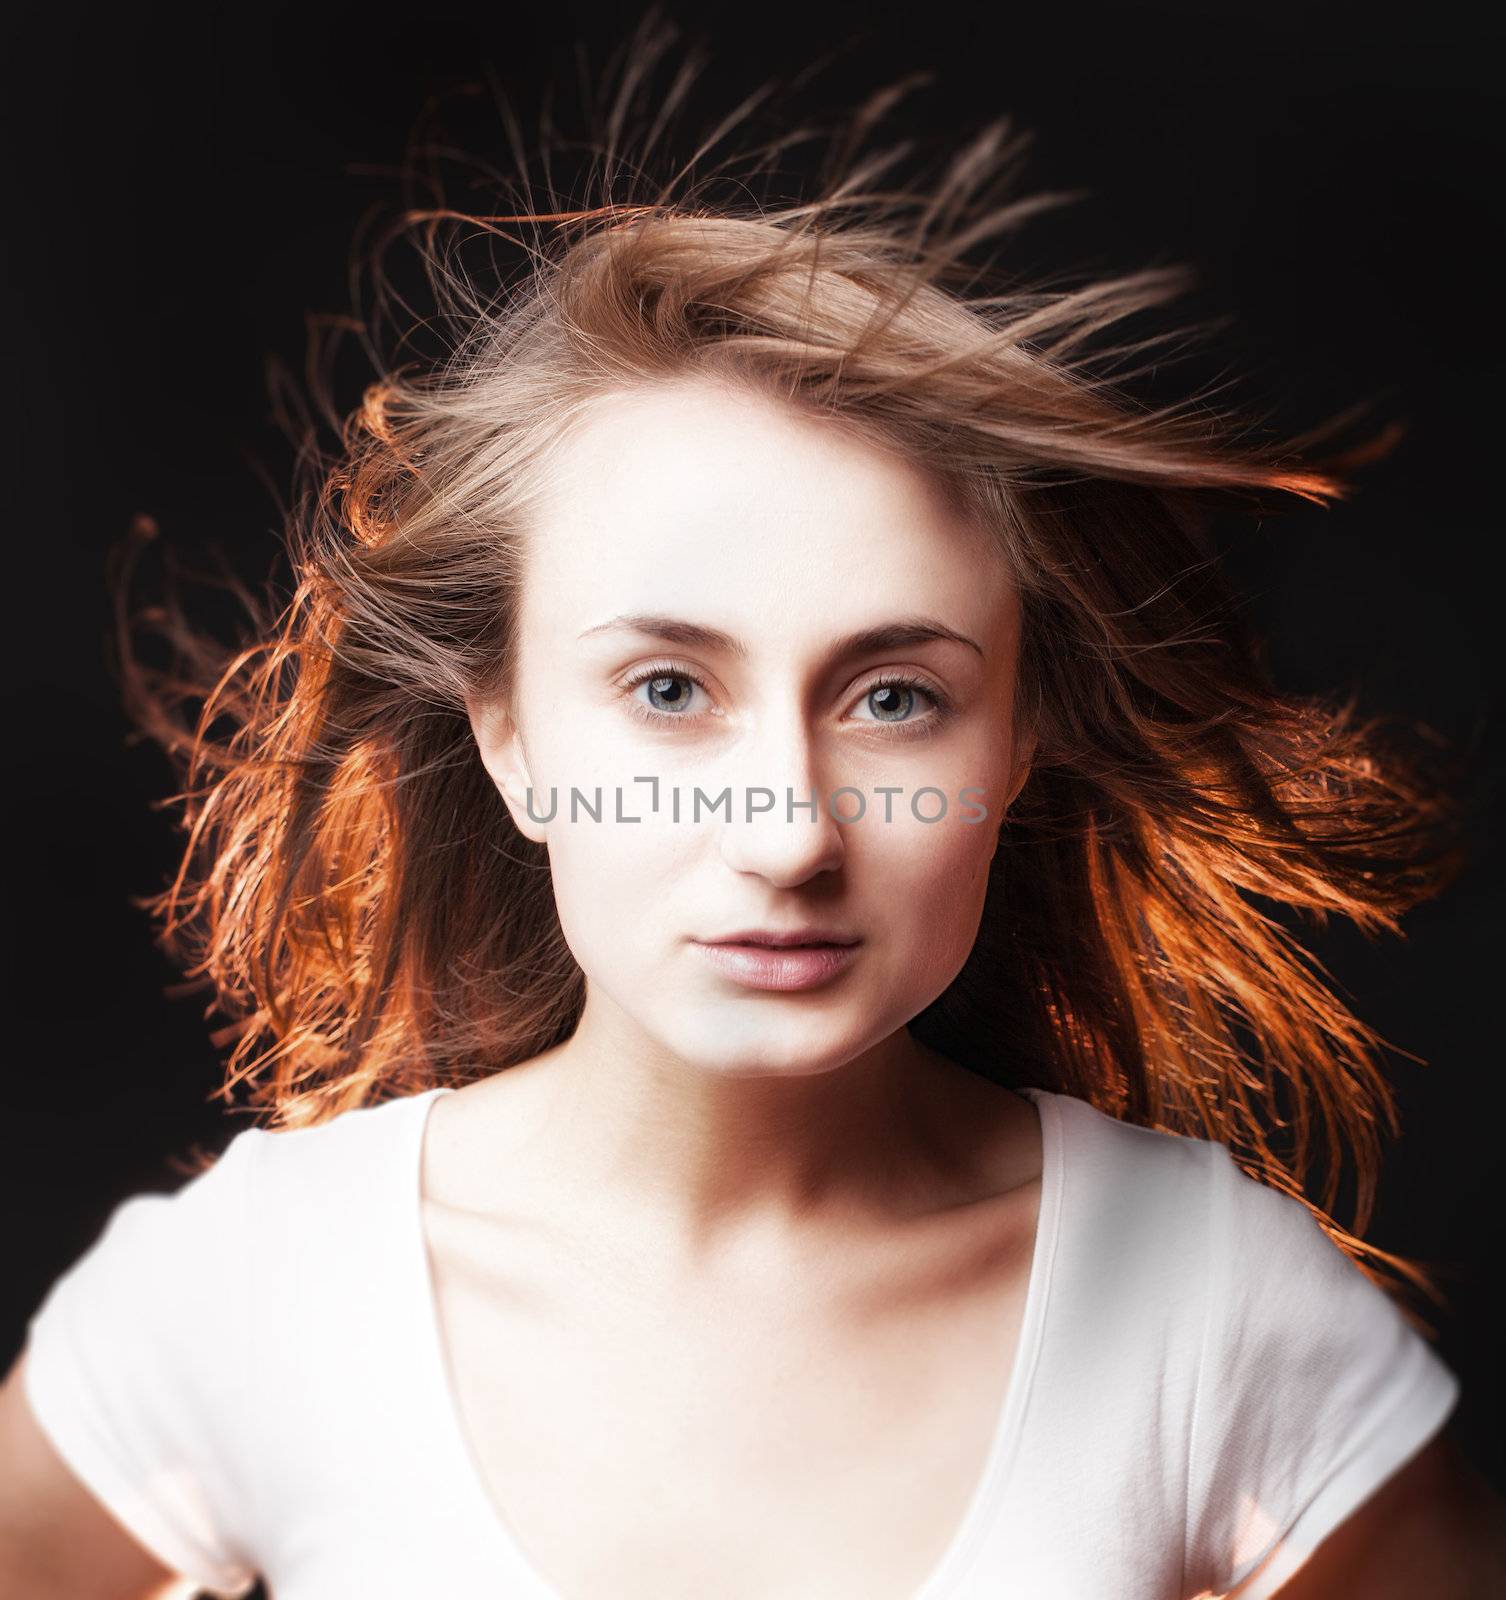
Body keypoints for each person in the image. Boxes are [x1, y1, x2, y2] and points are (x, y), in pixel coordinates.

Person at [2, 26, 1502, 1599]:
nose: (790, 833)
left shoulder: (1209, 1310)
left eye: (893, 697)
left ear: (1021, 737)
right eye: (665, 692)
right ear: (507, 737)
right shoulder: (261, 1289)